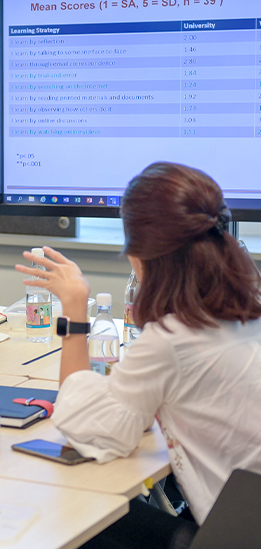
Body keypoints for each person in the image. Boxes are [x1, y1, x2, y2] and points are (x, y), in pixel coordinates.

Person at [16, 162, 261, 548]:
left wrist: (75, 307)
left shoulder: (173, 338)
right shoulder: (247, 308)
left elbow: (86, 428)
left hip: (233, 536)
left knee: (75, 511)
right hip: (246, 518)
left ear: (141, 253)